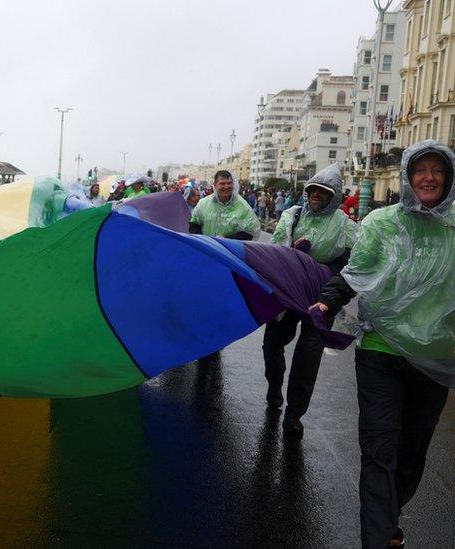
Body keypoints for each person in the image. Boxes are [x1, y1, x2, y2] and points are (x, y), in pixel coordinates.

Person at [310, 140, 455, 548]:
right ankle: (378, 537)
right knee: (378, 450)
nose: (429, 177)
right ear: (408, 178)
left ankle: (387, 515)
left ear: (447, 178)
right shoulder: (380, 223)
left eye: (437, 170)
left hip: (434, 357)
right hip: (380, 351)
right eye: (420, 170)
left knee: (411, 454)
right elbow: (356, 272)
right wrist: (327, 299)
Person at [264, 164, 357, 437]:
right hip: (290, 289)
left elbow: (356, 264)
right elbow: (275, 251)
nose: (316, 195)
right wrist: (292, 251)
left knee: (308, 356)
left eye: (324, 191)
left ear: (334, 196)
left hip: (322, 296)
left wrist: (333, 290)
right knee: (272, 344)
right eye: (313, 190)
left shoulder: (345, 226)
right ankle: (274, 387)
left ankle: (294, 414)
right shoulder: (291, 216)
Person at [188, 170, 260, 239]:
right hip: (206, 249)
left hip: (230, 250)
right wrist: (204, 242)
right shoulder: (203, 204)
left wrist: (226, 239)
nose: (226, 187)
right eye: (222, 183)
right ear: (215, 185)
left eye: (229, 183)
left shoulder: (243, 206)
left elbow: (251, 232)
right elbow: (194, 224)